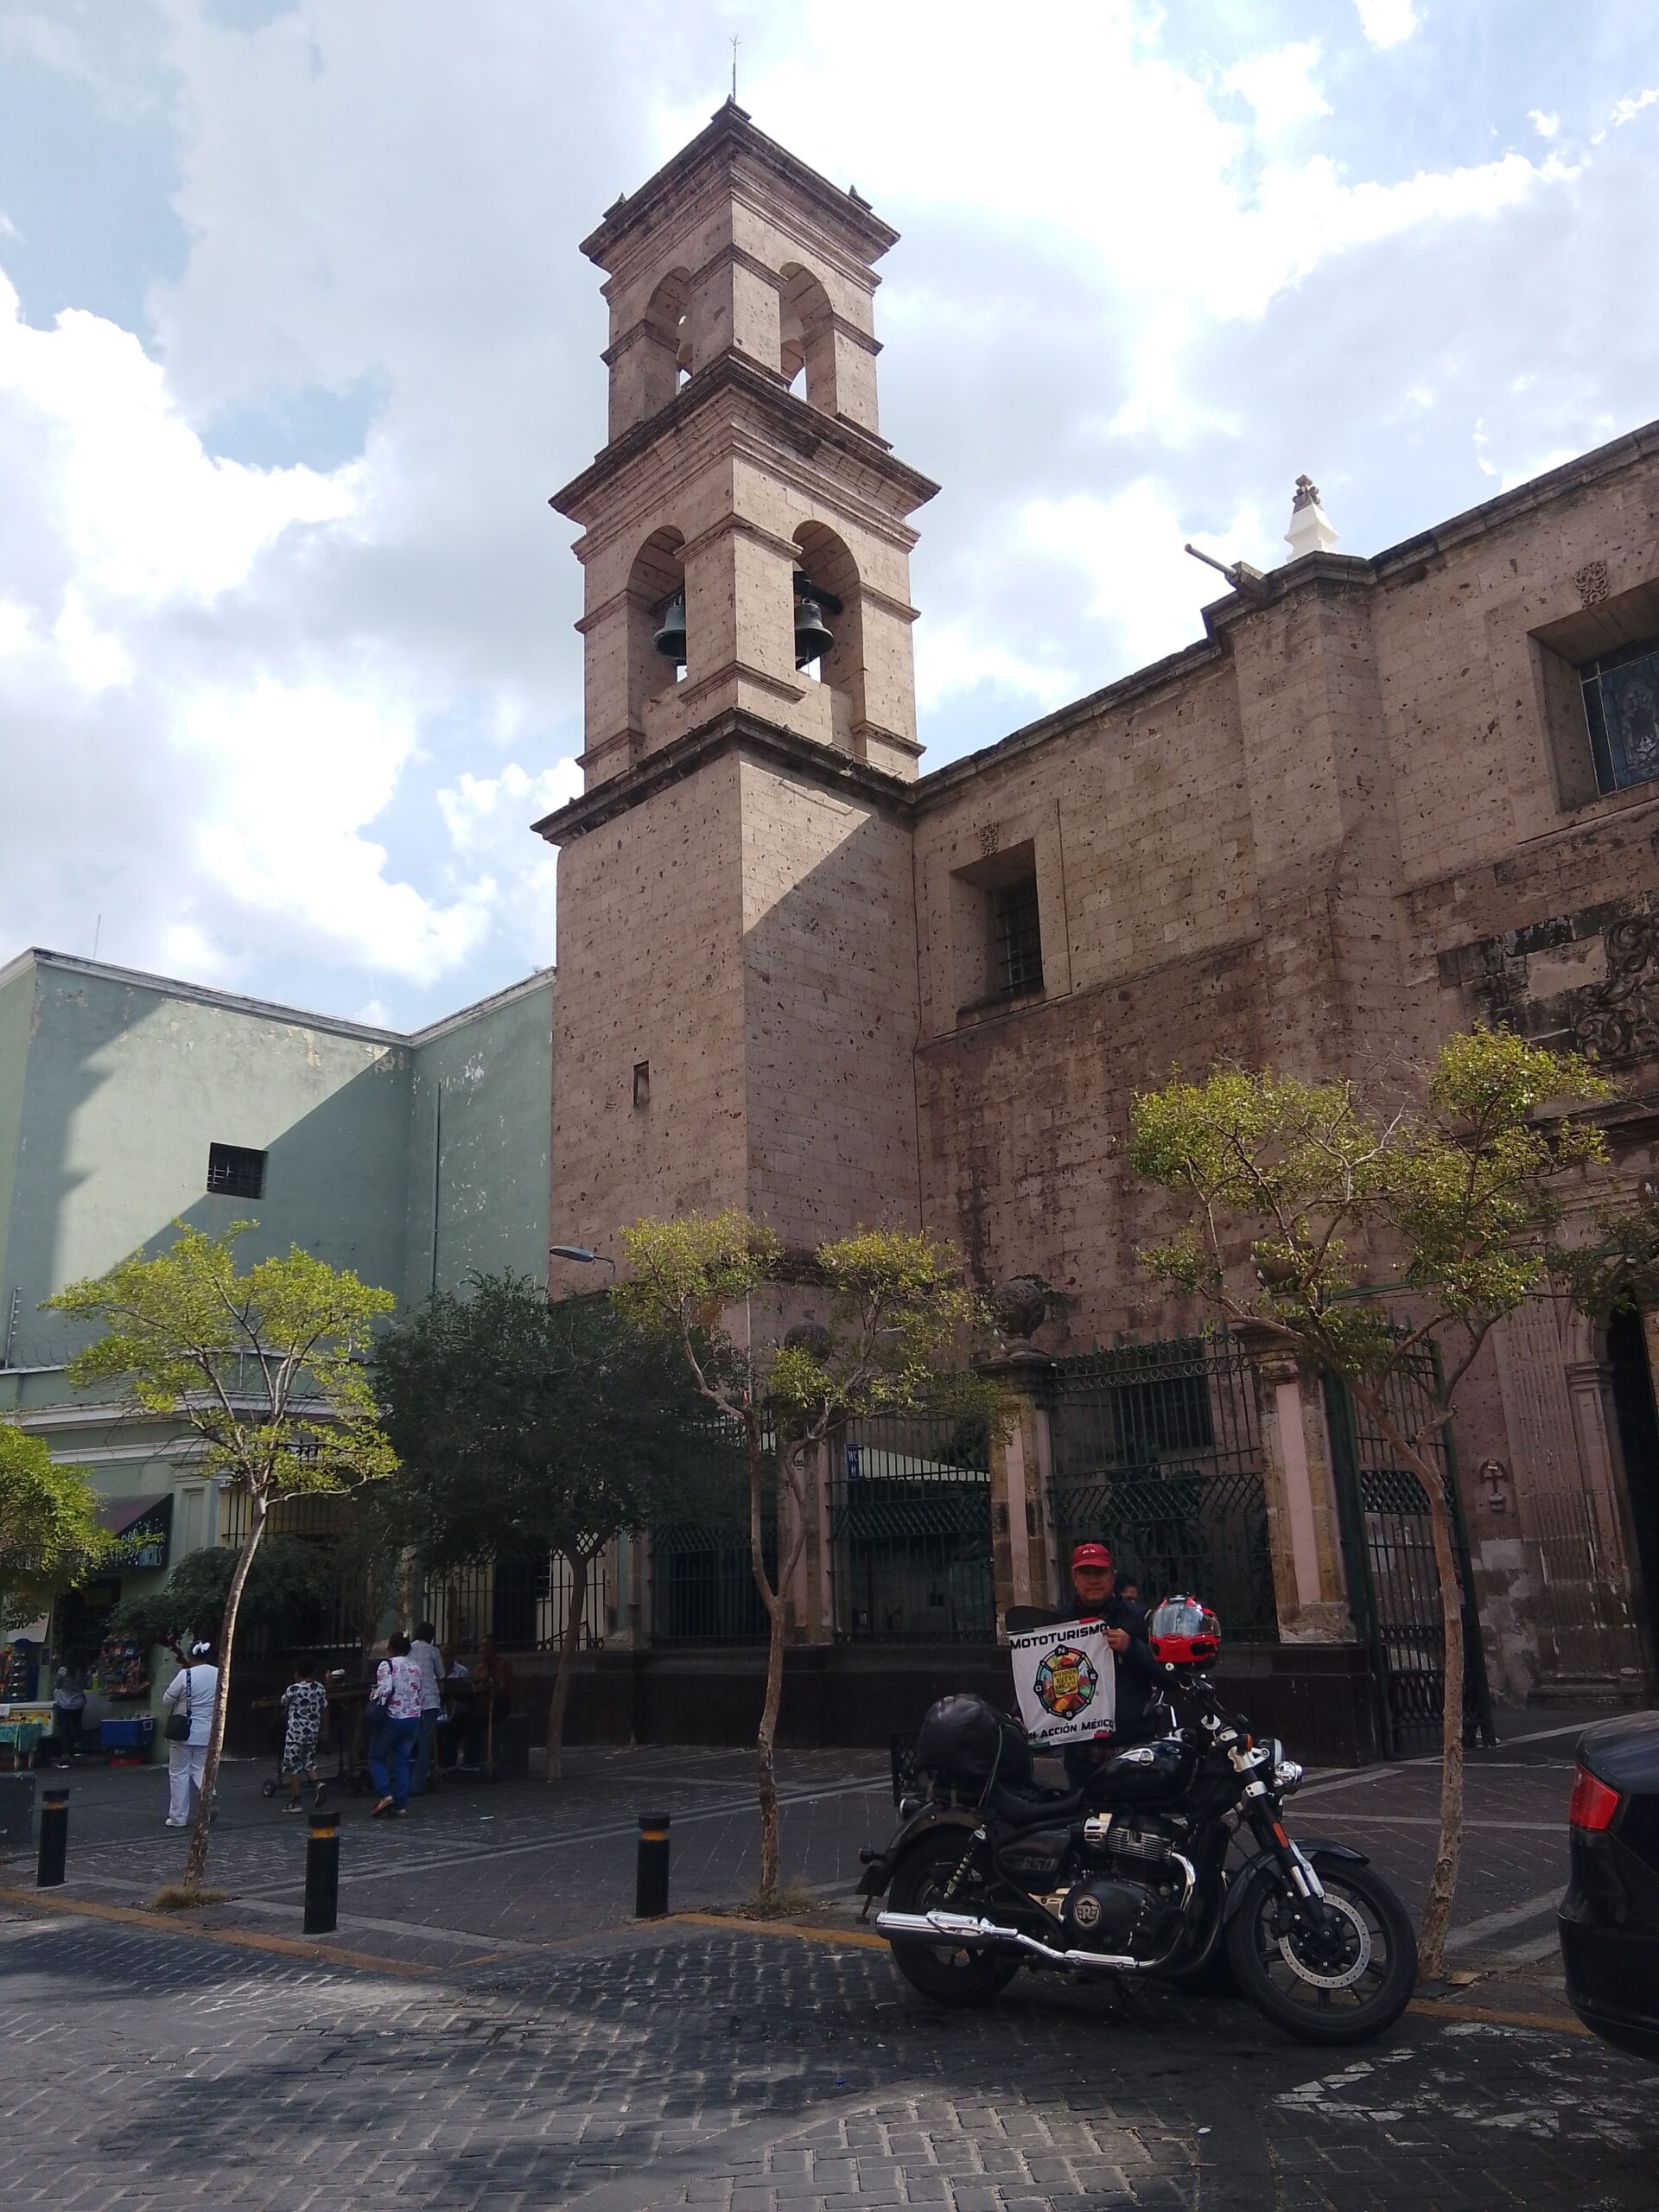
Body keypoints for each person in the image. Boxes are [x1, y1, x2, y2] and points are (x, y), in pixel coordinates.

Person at [1051, 1543, 1161, 1789]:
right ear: (1074, 1577)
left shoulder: (1140, 1618)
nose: (1093, 1580)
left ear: (1113, 1575)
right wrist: (1022, 1712)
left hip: (1135, 1752)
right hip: (1082, 1758)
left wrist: (1131, 1647)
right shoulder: (1058, 1623)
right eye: (1085, 1573)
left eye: (1100, 1573)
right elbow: (1038, 1670)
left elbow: (1168, 1675)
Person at [162, 1640, 219, 1829]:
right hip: (208, 1730)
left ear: (190, 1656)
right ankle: (209, 1793)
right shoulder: (218, 1673)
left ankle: (178, 1817)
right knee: (200, 1767)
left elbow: (167, 1700)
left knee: (179, 1772)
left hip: (184, 1730)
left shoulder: (185, 1675)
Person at [366, 1631, 423, 1816]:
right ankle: (401, 1804)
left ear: (390, 1647)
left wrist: (373, 1694)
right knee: (402, 1761)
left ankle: (385, 1795)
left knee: (377, 1757)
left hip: (392, 1718)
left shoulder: (387, 1665)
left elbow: (385, 1690)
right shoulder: (415, 1667)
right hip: (412, 1718)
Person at [278, 1657, 327, 1814]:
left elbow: (283, 1702)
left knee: (294, 1767)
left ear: (298, 1673)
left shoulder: (293, 1689)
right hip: (313, 1732)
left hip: (295, 1734)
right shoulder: (320, 1689)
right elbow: (325, 1708)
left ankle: (296, 1800)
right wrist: (325, 1731)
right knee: (309, 1761)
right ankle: (318, 1783)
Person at [461, 1637, 513, 1772]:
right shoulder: (480, 1667)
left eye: (487, 1646)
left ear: (494, 1648)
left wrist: (488, 1682)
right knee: (468, 1720)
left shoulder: (502, 1665)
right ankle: (471, 1762)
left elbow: (502, 1689)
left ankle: (487, 1761)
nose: (484, 1649)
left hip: (499, 1705)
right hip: (483, 1705)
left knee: (480, 1722)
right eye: (481, 1646)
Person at [408, 1619, 444, 1796]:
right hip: (429, 1701)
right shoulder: (433, 1651)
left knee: (408, 1742)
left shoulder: (408, 1650)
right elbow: (441, 1674)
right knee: (425, 1745)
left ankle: (403, 1780)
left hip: (411, 1702)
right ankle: (417, 1784)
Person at [52, 1651, 88, 1763]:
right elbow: (89, 1686)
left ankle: (65, 1753)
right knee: (77, 1726)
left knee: (64, 1728)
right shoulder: (85, 1671)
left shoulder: (62, 1671)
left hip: (63, 1702)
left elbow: (57, 1686)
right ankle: (77, 1751)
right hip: (78, 1701)